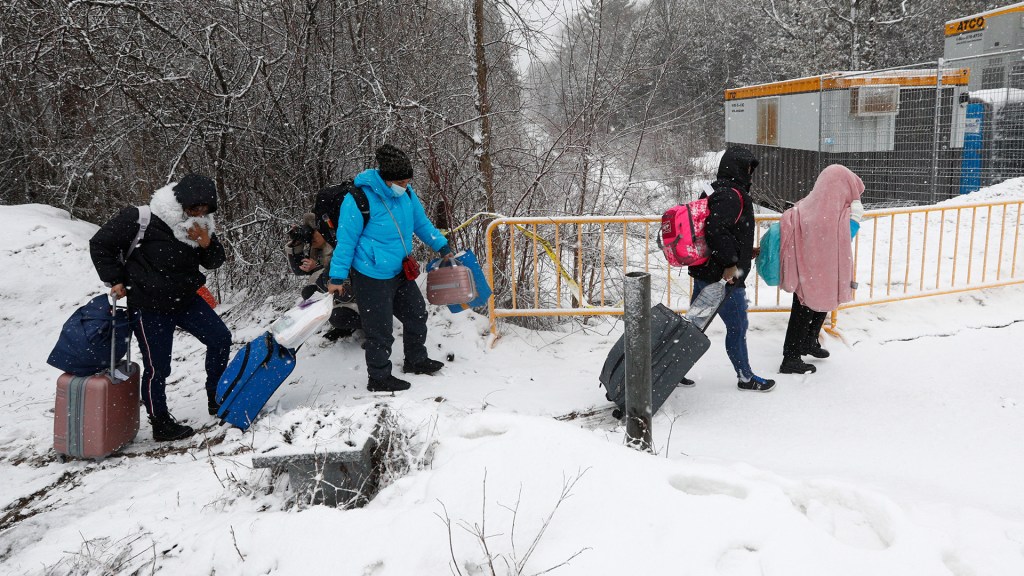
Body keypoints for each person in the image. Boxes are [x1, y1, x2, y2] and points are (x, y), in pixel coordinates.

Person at [90, 174, 232, 441]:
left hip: (186, 299)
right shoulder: (141, 218)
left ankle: (218, 396)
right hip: (148, 305)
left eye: (205, 210)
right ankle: (161, 423)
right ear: (180, 202)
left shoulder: (200, 225)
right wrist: (116, 279)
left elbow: (214, 261)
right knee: (158, 367)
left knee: (221, 338)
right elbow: (100, 244)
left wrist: (206, 242)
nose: (199, 213)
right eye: (194, 208)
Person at [327, 144, 452, 392]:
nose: (405, 186)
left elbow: (421, 223)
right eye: (401, 181)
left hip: (400, 271)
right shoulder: (358, 199)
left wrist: (442, 245)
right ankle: (379, 377)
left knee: (416, 313)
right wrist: (337, 276)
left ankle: (415, 360)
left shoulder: (406, 194)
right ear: (386, 178)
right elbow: (346, 242)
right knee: (380, 329)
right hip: (371, 275)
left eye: (407, 181)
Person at [687, 146, 776, 392]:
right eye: (748, 167)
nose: (750, 172)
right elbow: (716, 230)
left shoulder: (714, 189)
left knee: (693, 326)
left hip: (706, 270)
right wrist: (730, 264)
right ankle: (745, 377)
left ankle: (668, 367)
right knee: (736, 327)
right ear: (738, 167)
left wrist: (746, 252)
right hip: (725, 277)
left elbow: (721, 230)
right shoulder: (732, 194)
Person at [778, 164, 865, 374]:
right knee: (804, 309)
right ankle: (790, 357)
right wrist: (854, 220)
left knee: (821, 303)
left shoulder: (809, 205)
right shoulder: (834, 215)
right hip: (814, 271)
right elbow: (844, 238)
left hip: (812, 270)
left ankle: (808, 341)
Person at [287, 213, 361, 340]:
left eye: (314, 233)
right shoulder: (317, 249)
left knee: (338, 317)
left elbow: (341, 272)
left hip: (356, 297)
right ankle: (345, 326)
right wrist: (296, 243)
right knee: (309, 293)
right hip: (338, 296)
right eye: (310, 235)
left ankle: (371, 326)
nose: (312, 238)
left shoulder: (340, 244)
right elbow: (299, 270)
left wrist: (318, 267)